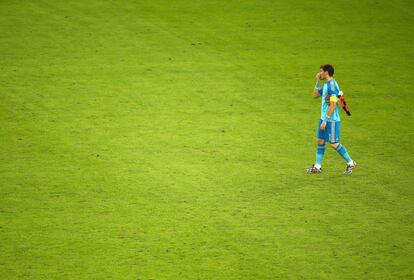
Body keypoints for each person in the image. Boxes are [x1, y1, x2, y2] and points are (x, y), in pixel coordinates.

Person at [306, 64, 357, 175]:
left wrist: (326, 120)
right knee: (320, 140)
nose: (319, 73)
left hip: (331, 120)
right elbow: (315, 95)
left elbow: (333, 105)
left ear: (326, 72)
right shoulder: (326, 84)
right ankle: (317, 167)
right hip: (324, 118)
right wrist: (317, 81)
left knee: (334, 143)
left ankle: (351, 162)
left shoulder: (332, 86)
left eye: (321, 71)